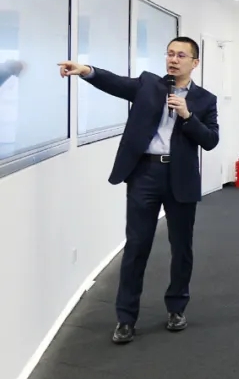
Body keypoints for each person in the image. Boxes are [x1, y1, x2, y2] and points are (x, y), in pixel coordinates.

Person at [58, 37, 220, 344]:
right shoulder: (148, 85)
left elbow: (210, 140)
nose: (173, 60)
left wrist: (188, 116)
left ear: (194, 62)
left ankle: (176, 309)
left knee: (181, 247)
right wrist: (86, 70)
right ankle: (126, 318)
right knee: (136, 246)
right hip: (145, 173)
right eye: (170, 54)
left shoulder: (205, 100)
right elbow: (115, 83)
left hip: (180, 176)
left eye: (181, 55)